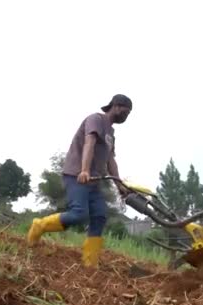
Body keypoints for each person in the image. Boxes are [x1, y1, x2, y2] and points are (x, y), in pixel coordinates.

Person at [26, 94, 132, 268]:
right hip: (77, 175)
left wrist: (119, 184)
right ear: (116, 106)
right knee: (79, 214)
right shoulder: (96, 119)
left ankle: (90, 263)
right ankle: (40, 225)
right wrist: (84, 170)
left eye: (129, 114)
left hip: (94, 181)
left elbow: (110, 160)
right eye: (126, 112)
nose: (126, 116)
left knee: (99, 215)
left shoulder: (111, 134)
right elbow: (89, 143)